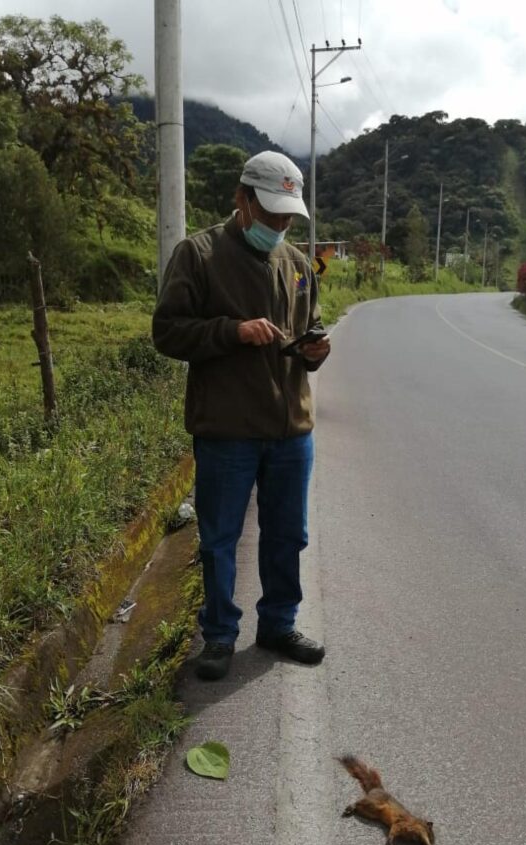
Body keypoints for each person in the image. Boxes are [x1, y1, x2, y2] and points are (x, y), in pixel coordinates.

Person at [153, 151, 330, 681]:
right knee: (219, 539)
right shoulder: (198, 255)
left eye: (286, 217)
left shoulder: (298, 266)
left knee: (288, 535)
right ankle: (219, 636)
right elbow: (168, 332)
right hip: (228, 430)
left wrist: (315, 351)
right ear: (241, 199)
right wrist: (232, 331)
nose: (278, 226)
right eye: (270, 213)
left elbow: (311, 325)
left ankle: (278, 624)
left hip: (290, 430)